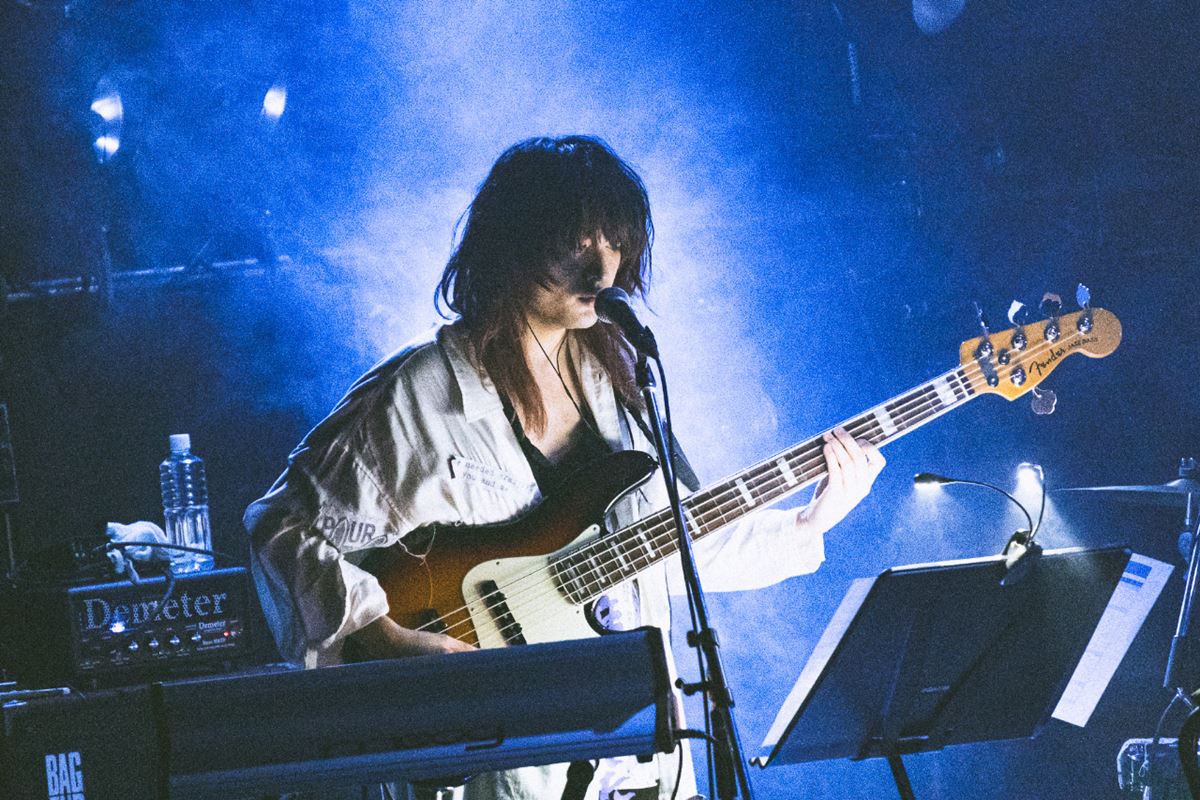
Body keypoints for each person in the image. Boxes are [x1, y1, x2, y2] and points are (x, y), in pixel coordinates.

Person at [244, 135, 885, 800]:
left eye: (616, 245)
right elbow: (280, 529)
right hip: (503, 761)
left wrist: (811, 520)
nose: (604, 270)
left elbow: (673, 549)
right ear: (513, 247)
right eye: (577, 246)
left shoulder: (617, 379)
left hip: (638, 764)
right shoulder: (419, 391)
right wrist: (380, 638)